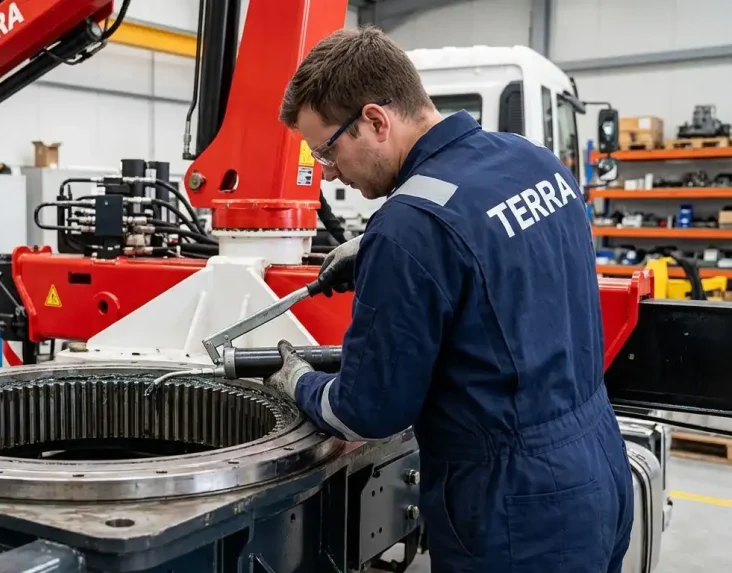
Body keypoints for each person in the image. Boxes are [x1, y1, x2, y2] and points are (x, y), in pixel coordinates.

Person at [266, 26, 634, 573]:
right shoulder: (534, 162)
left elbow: (369, 410)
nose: (329, 170)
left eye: (326, 150)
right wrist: (373, 249)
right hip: (599, 464)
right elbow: (492, 251)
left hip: (512, 509)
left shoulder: (409, 227)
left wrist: (297, 381)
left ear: (374, 120)